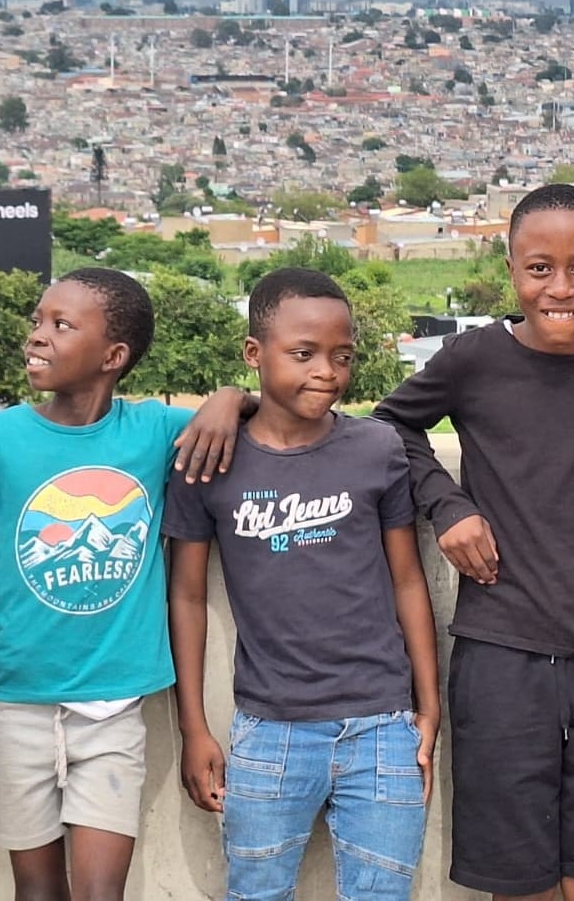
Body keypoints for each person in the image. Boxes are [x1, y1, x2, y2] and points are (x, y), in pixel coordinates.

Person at [372, 182, 574, 901]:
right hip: (500, 647)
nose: (561, 287)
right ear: (510, 269)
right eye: (539, 267)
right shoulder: (472, 358)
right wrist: (448, 504)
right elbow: (388, 424)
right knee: (516, 870)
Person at [0, 267, 247, 901]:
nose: (37, 337)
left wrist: (230, 395)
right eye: (38, 321)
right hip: (19, 700)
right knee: (38, 893)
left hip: (114, 709)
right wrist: (15, 614)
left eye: (61, 326)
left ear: (113, 356)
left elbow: (258, 410)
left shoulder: (152, 433)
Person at [166, 267, 442, 901]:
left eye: (341, 355)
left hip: (382, 728)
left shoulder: (375, 449)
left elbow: (407, 580)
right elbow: (185, 596)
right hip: (270, 730)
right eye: (304, 353)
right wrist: (194, 729)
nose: (327, 371)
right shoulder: (209, 461)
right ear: (254, 354)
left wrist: (428, 712)